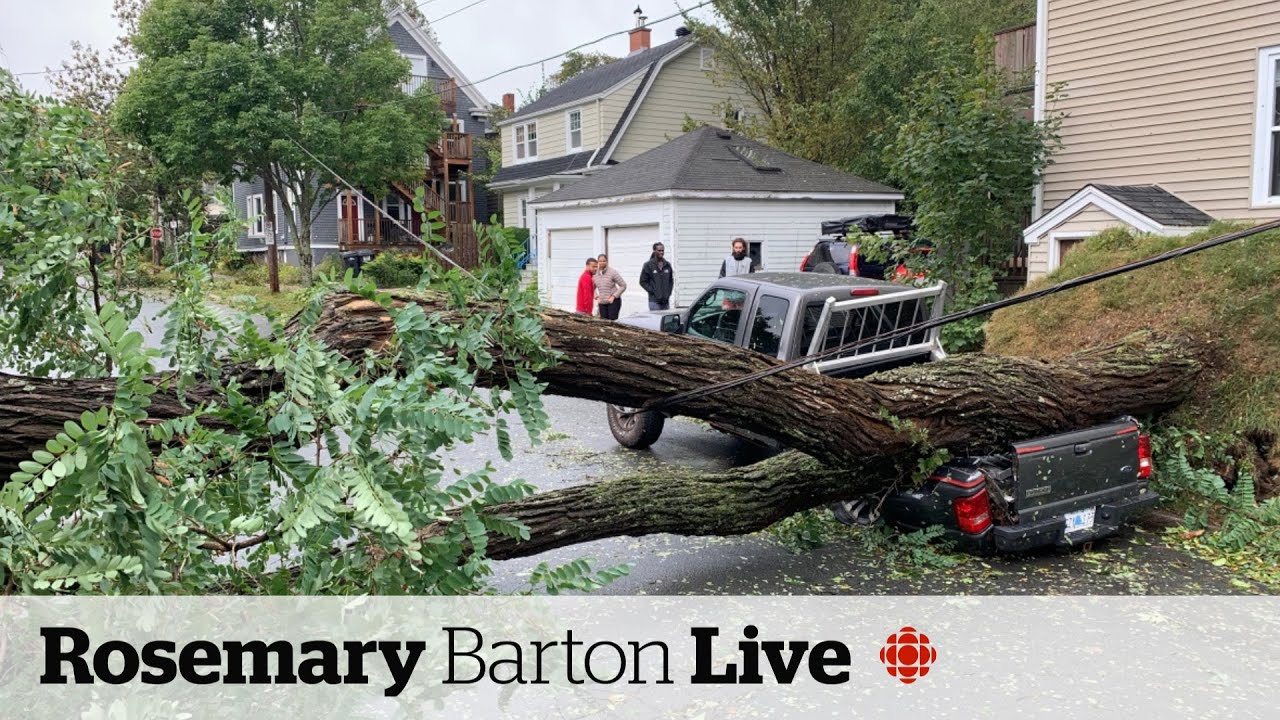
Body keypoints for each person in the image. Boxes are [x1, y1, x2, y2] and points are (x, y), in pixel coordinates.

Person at [638, 242, 674, 311]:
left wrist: (668, 293)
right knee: (656, 321)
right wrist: (653, 291)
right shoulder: (648, 265)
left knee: (665, 321)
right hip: (654, 301)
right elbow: (642, 281)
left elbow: (671, 281)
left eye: (662, 250)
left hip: (666, 301)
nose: (661, 252)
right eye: (659, 250)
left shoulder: (667, 265)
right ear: (654, 251)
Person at [593, 253, 626, 320]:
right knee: (604, 323)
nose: (602, 262)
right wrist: (596, 297)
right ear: (598, 262)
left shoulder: (612, 272)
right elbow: (592, 288)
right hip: (602, 303)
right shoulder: (595, 274)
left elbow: (623, 285)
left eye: (604, 261)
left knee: (612, 323)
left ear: (607, 262)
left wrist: (613, 296)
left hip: (613, 302)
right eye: (600, 261)